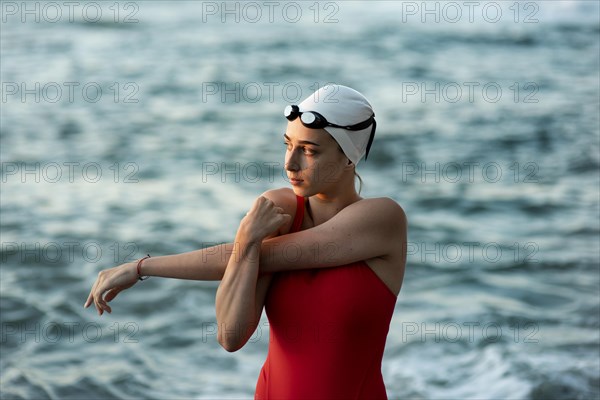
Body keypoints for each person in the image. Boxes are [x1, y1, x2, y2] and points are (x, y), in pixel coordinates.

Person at [84, 84, 407, 399]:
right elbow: (230, 336)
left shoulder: (382, 219)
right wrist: (246, 241)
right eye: (287, 145)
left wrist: (143, 267)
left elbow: (271, 257)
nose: (290, 164)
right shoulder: (279, 210)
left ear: (350, 156)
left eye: (309, 151)